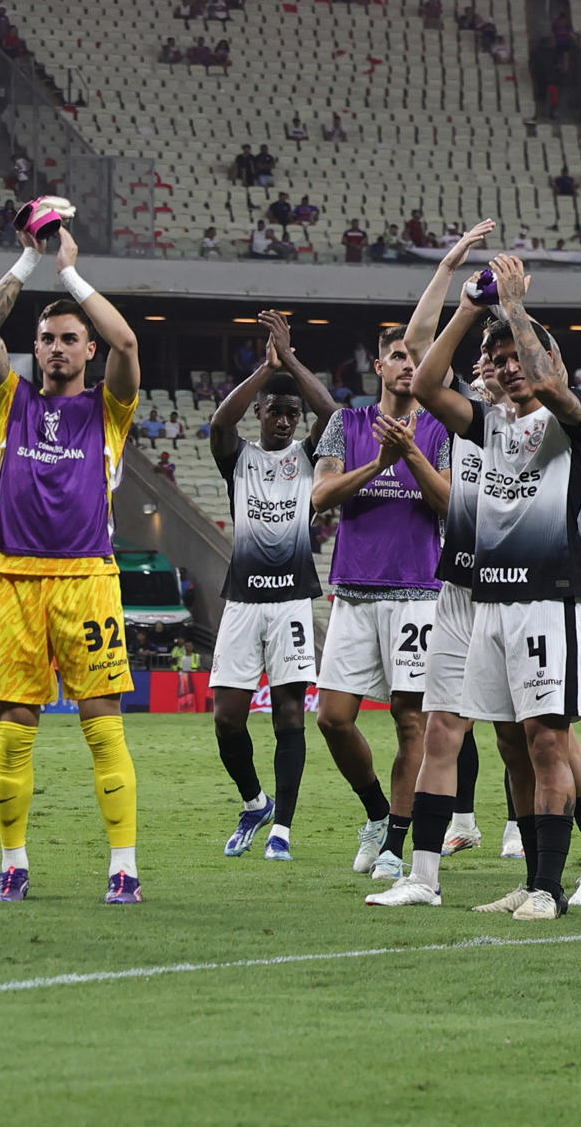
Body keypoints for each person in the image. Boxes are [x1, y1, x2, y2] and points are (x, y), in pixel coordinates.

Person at [370, 253, 581, 919]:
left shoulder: (573, 419)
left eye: (518, 357)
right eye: (497, 358)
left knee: (546, 740)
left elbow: (548, 380)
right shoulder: (491, 426)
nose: (508, 366)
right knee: (510, 741)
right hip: (488, 605)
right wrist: (475, 307)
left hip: (547, 599)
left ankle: (554, 886)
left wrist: (512, 307)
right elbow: (422, 385)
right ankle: (531, 877)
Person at [0, 224, 145, 903]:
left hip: (86, 579)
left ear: (87, 350)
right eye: (47, 338)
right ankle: (13, 863)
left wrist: (70, 275)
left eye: (69, 338)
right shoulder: (7, 401)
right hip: (14, 578)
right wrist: (27, 261)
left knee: (102, 721)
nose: (55, 347)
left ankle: (124, 868)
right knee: (14, 728)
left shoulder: (110, 409)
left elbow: (129, 343)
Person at [370, 221, 506, 866]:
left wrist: (515, 310)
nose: (489, 364)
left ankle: (573, 847)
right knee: (445, 722)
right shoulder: (463, 408)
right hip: (457, 580)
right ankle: (426, 865)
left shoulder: (544, 413)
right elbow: (421, 346)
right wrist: (451, 269)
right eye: (485, 356)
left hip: (519, 581)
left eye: (501, 356)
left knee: (524, 730)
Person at [310, 323, 452, 881]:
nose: (408, 364)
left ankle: (396, 841)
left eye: (416, 356)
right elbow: (319, 495)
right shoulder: (345, 425)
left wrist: (410, 452)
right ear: (379, 366)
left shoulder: (440, 428)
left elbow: (451, 504)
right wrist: (379, 462)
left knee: (410, 721)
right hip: (355, 589)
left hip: (418, 592)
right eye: (397, 355)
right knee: (332, 719)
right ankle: (376, 812)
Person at [207, 310, 337, 861]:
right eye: (275, 411)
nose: (283, 420)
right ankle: (254, 801)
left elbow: (333, 416)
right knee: (227, 717)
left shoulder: (309, 458)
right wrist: (266, 370)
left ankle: (282, 828)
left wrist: (292, 363)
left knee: (288, 714)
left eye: (291, 412)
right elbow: (218, 423)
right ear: (260, 412)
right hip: (241, 601)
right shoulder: (239, 458)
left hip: (290, 603)